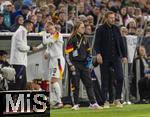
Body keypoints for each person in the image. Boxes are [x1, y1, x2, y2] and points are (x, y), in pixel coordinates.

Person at [65, 21, 103, 110]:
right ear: (77, 28)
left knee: (89, 84)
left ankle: (93, 103)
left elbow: (89, 53)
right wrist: (70, 65)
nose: (84, 29)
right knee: (76, 85)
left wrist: (89, 64)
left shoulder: (85, 39)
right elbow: (67, 54)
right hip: (75, 64)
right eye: (82, 27)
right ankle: (76, 104)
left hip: (84, 65)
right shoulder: (72, 39)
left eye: (83, 27)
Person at [94, 11, 127, 108]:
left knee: (120, 77)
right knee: (105, 80)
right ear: (106, 18)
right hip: (105, 58)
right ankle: (105, 101)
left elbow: (121, 43)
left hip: (116, 57)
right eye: (111, 18)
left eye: (114, 17)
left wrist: (124, 55)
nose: (113, 19)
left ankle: (117, 99)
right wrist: (98, 54)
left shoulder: (117, 29)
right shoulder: (100, 29)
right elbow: (96, 43)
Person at [42, 21, 65, 109]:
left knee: (54, 80)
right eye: (49, 29)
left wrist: (44, 33)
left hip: (58, 60)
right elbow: (48, 47)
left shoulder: (57, 34)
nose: (51, 30)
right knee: (51, 81)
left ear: (54, 28)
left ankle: (59, 101)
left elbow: (45, 42)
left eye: (51, 28)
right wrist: (46, 53)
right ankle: (54, 101)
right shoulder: (51, 37)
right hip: (52, 61)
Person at [10, 20, 37, 90]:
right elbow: (21, 47)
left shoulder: (22, 32)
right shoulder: (21, 32)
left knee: (22, 83)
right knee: (18, 84)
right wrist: (31, 48)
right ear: (27, 25)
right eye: (31, 27)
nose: (32, 29)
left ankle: (20, 100)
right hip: (18, 62)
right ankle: (15, 100)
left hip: (20, 62)